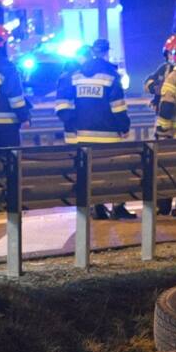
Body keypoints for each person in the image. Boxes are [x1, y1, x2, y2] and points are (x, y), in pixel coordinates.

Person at [62, 37, 132, 220]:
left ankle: (97, 207)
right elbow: (117, 106)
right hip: (108, 134)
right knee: (115, 171)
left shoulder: (77, 75)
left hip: (83, 133)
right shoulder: (111, 74)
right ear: (107, 52)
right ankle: (117, 207)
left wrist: (74, 124)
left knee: (91, 172)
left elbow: (67, 102)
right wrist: (124, 126)